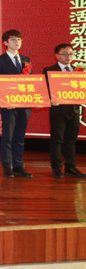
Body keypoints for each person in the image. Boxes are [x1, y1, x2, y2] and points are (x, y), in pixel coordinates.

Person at [0, 29, 33, 178]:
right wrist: (5, 101)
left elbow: (30, 83)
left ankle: (18, 166)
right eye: (13, 40)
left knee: (20, 137)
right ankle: (7, 166)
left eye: (19, 39)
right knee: (7, 136)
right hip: (8, 105)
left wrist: (36, 99)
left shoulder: (26, 59)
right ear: (6, 43)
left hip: (24, 105)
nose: (17, 42)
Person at [43, 44, 86, 179]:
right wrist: (50, 99)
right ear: (57, 56)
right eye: (65, 54)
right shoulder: (50, 70)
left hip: (74, 110)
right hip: (58, 110)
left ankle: (70, 167)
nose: (69, 57)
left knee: (71, 140)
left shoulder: (77, 70)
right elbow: (44, 89)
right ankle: (56, 168)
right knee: (57, 140)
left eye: (71, 54)